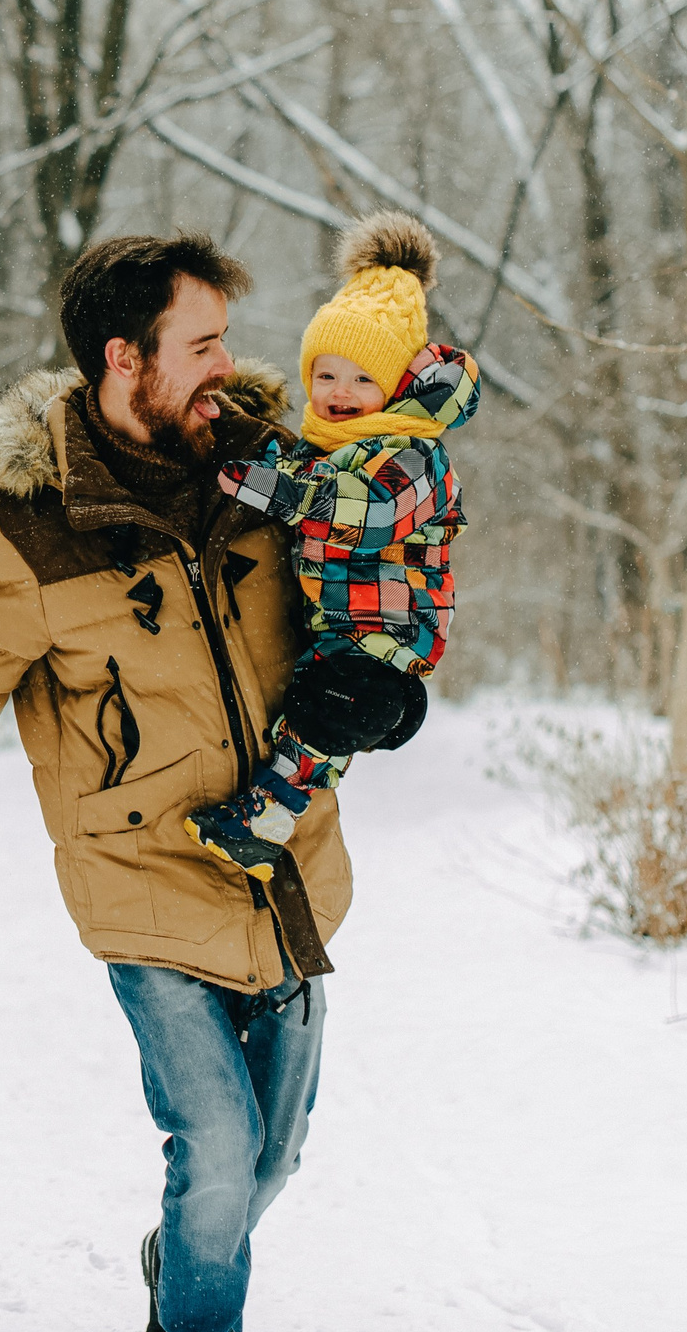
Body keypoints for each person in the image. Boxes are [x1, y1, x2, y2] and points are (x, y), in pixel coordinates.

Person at [0, 233, 347, 1332]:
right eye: (199, 343)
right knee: (215, 1150)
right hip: (144, 883)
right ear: (125, 357)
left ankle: (181, 1253)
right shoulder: (27, 530)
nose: (225, 363)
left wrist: (381, 676)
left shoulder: (273, 475)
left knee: (274, 1153)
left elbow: (367, 597)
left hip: (281, 860)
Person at [183, 213, 479, 874]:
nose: (340, 393)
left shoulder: (418, 456)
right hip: (339, 629)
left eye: (361, 379)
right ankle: (268, 814)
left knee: (333, 704)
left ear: (396, 386)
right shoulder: (323, 450)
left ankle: (270, 812)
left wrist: (286, 494)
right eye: (326, 376)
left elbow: (370, 514)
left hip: (388, 636)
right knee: (315, 706)